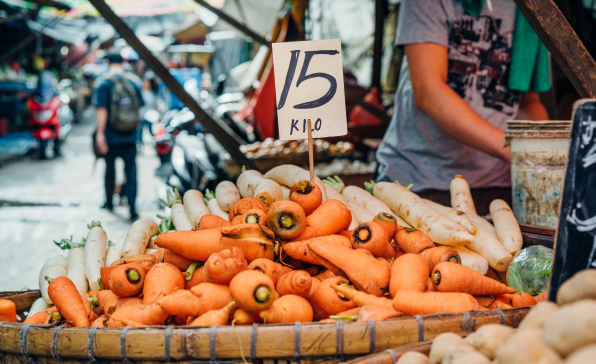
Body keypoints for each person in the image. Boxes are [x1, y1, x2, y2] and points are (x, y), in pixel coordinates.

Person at [376, 0, 549, 204]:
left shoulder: (533, 7)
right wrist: (514, 150)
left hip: (499, 186)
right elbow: (428, 92)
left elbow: (527, 103)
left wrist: (545, 155)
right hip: (416, 181)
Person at [93, 52, 144, 220]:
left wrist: (100, 134)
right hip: (130, 134)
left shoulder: (103, 83)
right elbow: (140, 110)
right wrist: (138, 134)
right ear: (123, 62)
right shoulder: (134, 81)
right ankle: (133, 207)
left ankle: (109, 202)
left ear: (107, 62)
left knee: (110, 168)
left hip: (110, 135)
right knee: (131, 170)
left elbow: (102, 110)